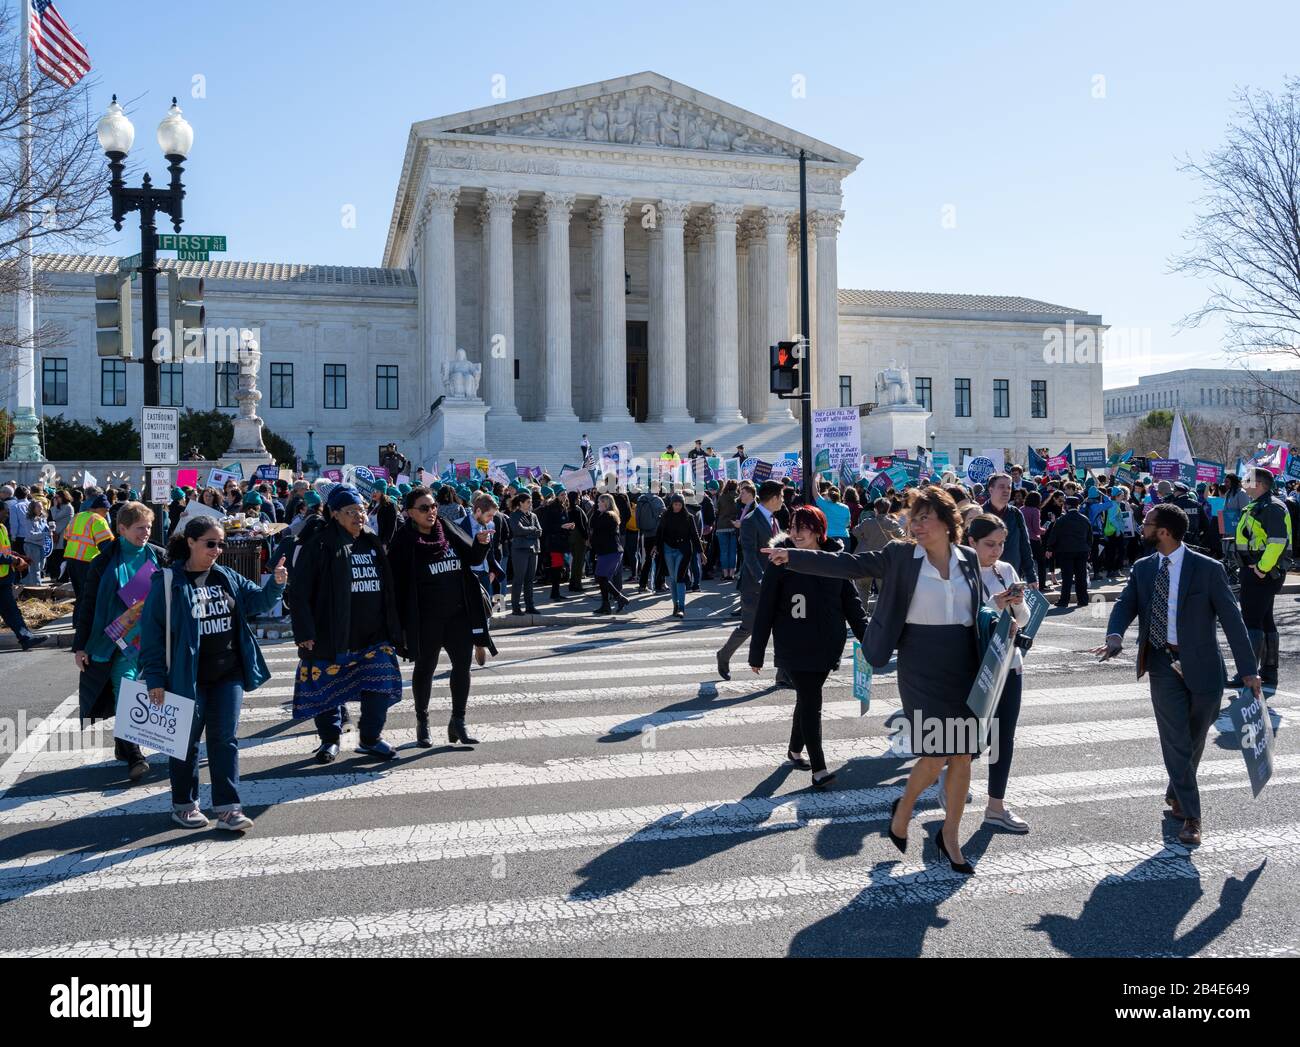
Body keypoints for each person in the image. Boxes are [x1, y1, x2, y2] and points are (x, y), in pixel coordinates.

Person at [765, 487, 988, 874]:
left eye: (924, 518)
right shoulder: (900, 556)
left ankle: (950, 836)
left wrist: (1001, 610)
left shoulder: (968, 558)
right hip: (920, 660)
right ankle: (903, 809)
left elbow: (977, 609)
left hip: (964, 662)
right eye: (913, 518)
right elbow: (848, 564)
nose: (915, 525)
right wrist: (794, 557)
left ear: (948, 523)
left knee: (964, 756)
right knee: (936, 752)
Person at [1094, 503, 1262, 846]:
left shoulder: (1207, 569)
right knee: (1176, 741)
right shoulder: (1142, 569)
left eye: (1147, 523)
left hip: (1203, 668)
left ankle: (1176, 790)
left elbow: (1233, 621)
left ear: (1164, 532)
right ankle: (1192, 816)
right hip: (1160, 664)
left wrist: (1249, 671)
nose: (1141, 527)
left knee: (1195, 737)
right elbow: (1125, 604)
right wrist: (1114, 635)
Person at [139, 518, 287, 830]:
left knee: (225, 740)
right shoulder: (167, 582)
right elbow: (152, 636)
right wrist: (155, 679)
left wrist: (276, 583)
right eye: (211, 543)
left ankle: (229, 809)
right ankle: (184, 805)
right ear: (191, 542)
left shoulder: (226, 576)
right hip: (185, 677)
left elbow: (257, 601)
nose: (218, 550)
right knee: (186, 743)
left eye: (221, 544)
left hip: (227, 674)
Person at [749, 505, 867, 787]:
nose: (796, 533)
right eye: (793, 526)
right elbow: (764, 608)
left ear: (818, 530)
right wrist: (757, 653)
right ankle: (819, 769)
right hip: (795, 644)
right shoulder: (781, 562)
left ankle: (794, 750)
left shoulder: (835, 560)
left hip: (827, 644)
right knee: (812, 701)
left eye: (803, 527)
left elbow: (853, 606)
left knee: (806, 699)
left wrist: (871, 640)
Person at [290, 485, 404, 763]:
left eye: (362, 511)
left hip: (373, 636)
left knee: (379, 685)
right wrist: (304, 631)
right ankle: (330, 740)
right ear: (334, 514)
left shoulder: (371, 541)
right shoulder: (319, 543)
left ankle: (370, 737)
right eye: (351, 512)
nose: (359, 517)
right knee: (327, 690)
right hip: (331, 634)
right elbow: (299, 590)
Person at [390, 486, 496, 747]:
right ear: (410, 512)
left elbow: (471, 557)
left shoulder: (446, 527)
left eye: (433, 506)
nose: (431, 512)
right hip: (426, 620)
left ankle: (458, 721)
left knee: (462, 666)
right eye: (424, 508)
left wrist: (482, 544)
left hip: (458, 615)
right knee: (425, 668)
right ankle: (422, 722)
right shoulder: (404, 541)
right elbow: (394, 585)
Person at [71, 503, 166, 782]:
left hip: (152, 642)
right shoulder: (103, 561)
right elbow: (88, 604)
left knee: (149, 693)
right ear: (121, 529)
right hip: (114, 643)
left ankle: (124, 745)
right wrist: (80, 645)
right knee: (127, 693)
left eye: (148, 527)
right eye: (139, 528)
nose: (146, 532)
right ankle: (135, 755)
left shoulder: (160, 556)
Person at [965, 514, 1031, 832]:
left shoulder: (1005, 570)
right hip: (975, 666)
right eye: (989, 544)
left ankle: (995, 806)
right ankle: (950, 781)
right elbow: (962, 619)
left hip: (1009, 662)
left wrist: (1016, 603)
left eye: (1001, 543)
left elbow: (1026, 618)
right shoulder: (960, 572)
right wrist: (994, 603)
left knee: (1003, 737)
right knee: (967, 737)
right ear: (971, 543)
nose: (996, 550)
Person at [716, 480, 786, 677]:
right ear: (772, 498)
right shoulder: (750, 520)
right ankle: (723, 655)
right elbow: (749, 554)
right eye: (780, 497)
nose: (782, 500)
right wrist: (762, 579)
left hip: (775, 582)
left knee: (781, 626)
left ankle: (783, 674)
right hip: (754, 585)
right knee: (748, 627)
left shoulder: (775, 520)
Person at [1231, 467, 1290, 691]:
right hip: (1258, 570)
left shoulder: (1271, 506)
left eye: (1248, 480)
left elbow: (1276, 542)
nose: (1244, 483)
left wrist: (1262, 569)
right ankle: (1268, 672)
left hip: (1261, 572)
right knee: (1265, 620)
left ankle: (1248, 673)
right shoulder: (1260, 505)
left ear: (1260, 484)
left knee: (1252, 621)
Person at [982, 473, 1037, 587]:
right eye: (1001, 487)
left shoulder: (1016, 514)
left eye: (1009, 487)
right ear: (991, 490)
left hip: (1012, 576)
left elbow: (1025, 546)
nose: (1006, 490)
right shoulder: (980, 513)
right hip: (984, 578)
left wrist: (1030, 575)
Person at [0, 517, 45, 651]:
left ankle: (26, 638)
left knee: (11, 610)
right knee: (10, 610)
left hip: (3, 578)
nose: (7, 514)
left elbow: (4, 551)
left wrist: (18, 556)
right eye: (5, 511)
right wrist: (14, 560)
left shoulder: (2, 527)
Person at [656, 492, 703, 618]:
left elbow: (695, 536)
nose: (677, 507)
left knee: (680, 578)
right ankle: (675, 605)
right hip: (668, 549)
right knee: (672, 578)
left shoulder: (689, 517)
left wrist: (701, 552)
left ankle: (681, 607)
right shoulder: (665, 516)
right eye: (675, 504)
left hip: (683, 550)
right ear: (671, 504)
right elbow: (660, 532)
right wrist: (656, 547)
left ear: (683, 504)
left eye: (679, 504)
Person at [62, 493, 114, 603]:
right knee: (87, 597)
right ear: (100, 508)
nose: (106, 513)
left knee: (80, 596)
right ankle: (83, 620)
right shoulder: (98, 520)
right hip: (87, 562)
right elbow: (106, 546)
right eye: (106, 510)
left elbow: (65, 539)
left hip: (71, 559)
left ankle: (78, 619)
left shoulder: (78, 516)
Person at [1045, 495, 1093, 608]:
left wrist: (1049, 548)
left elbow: (1054, 535)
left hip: (1065, 551)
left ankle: (1064, 601)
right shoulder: (1084, 519)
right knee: (1081, 576)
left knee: (1067, 577)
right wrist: (1088, 548)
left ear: (1066, 506)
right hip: (1082, 550)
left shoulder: (1061, 519)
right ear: (1078, 506)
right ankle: (1083, 600)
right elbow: (1090, 537)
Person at [507, 490, 542, 615]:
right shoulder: (514, 515)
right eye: (528, 502)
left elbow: (540, 532)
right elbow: (518, 530)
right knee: (519, 579)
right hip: (520, 550)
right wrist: (532, 530)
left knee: (529, 579)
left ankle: (530, 605)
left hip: (533, 550)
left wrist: (529, 533)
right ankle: (515, 607)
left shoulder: (533, 516)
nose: (530, 504)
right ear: (521, 503)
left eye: (531, 502)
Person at [539, 487, 576, 602]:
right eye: (562, 495)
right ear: (556, 495)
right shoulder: (550, 508)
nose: (564, 497)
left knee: (559, 568)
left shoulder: (563, 507)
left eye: (565, 494)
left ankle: (556, 592)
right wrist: (561, 526)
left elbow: (563, 523)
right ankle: (555, 593)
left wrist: (569, 527)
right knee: (556, 568)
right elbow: (545, 527)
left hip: (562, 542)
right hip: (554, 543)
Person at [635, 487, 667, 591]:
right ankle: (659, 584)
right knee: (659, 559)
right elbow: (664, 516)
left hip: (645, 533)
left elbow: (637, 516)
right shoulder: (658, 500)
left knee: (648, 560)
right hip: (657, 534)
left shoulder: (640, 499)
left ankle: (642, 584)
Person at [714, 480, 740, 581]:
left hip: (722, 526)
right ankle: (732, 574)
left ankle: (725, 574)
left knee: (724, 551)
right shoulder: (738, 497)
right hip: (734, 525)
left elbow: (717, 511)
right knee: (733, 551)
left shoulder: (721, 496)